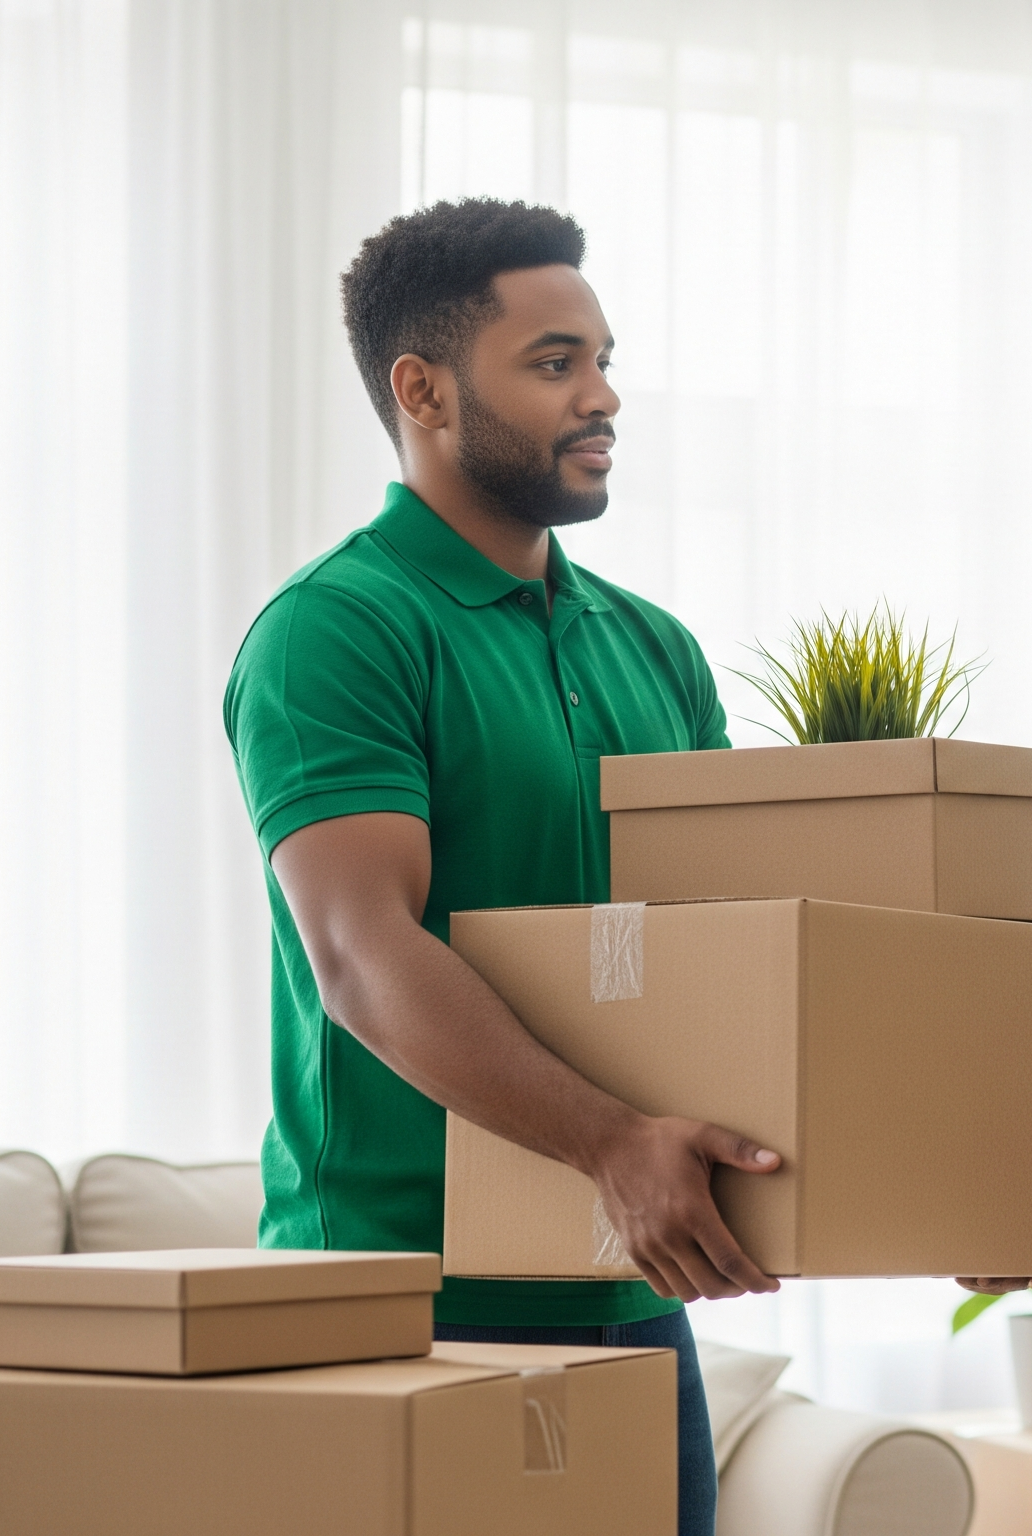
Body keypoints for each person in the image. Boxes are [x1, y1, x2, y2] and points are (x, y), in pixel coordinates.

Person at [223, 199, 768, 1536]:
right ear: (423, 390)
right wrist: (608, 1144)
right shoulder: (334, 633)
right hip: (400, 1304)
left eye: (603, 357)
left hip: (633, 1294)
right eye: (553, 363)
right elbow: (361, 956)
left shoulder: (656, 652)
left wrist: (916, 1189)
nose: (604, 396)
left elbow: (735, 959)